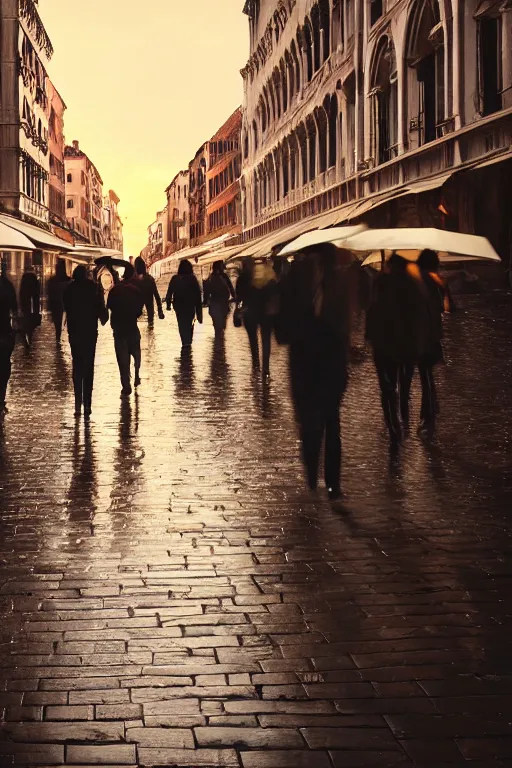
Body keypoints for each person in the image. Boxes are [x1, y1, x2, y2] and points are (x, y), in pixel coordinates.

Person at [278, 243, 354, 500]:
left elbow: (345, 323)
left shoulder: (339, 284)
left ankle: (333, 484)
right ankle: (312, 471)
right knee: (310, 424)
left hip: (331, 362)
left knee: (332, 424)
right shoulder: (294, 286)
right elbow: (283, 329)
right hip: (304, 363)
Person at [366, 253, 426, 446]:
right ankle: (401, 417)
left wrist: (370, 335)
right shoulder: (411, 285)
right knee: (402, 381)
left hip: (384, 341)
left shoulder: (381, 282)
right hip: (401, 342)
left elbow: (372, 309)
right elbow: (416, 315)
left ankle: (394, 424)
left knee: (387, 386)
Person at [416, 249, 455, 434]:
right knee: (427, 375)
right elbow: (445, 309)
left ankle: (428, 414)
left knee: (426, 376)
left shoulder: (422, 281)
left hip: (424, 335)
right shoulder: (436, 281)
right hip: (433, 335)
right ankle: (430, 410)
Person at [63, 266, 108, 418]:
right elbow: (103, 315)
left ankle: (77, 405)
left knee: (77, 366)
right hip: (90, 333)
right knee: (89, 368)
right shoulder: (93, 288)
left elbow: (66, 307)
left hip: (75, 333)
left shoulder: (69, 289)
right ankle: (87, 405)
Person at [236, 257, 278, 381]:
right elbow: (275, 293)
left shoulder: (244, 278)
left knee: (253, 340)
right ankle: (265, 368)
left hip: (250, 312)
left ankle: (256, 364)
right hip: (265, 313)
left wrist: (238, 309)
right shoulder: (269, 276)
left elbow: (239, 295)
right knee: (266, 341)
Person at [107, 263, 144, 396]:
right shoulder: (136, 291)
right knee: (136, 353)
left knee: (122, 360)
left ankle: (126, 385)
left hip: (119, 330)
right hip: (132, 327)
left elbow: (109, 307)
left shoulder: (114, 291)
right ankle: (137, 374)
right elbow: (139, 311)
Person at [165, 259, 202, 348]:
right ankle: (188, 345)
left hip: (179, 308)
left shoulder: (175, 278)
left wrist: (168, 305)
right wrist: (199, 314)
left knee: (182, 326)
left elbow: (169, 293)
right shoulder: (192, 279)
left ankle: (185, 345)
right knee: (189, 325)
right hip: (190, 307)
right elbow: (198, 296)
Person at [0, 262, 18, 416]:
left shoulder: (7, 286)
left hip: (5, 332)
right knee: (4, 367)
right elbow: (14, 308)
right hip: (4, 332)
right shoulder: (7, 285)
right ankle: (1, 399)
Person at [203, 260, 235, 335]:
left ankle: (218, 342)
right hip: (222, 304)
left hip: (215, 304)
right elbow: (230, 288)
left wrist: (205, 301)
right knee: (222, 325)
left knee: (217, 326)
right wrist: (234, 297)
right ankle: (220, 342)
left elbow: (206, 291)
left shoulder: (211, 277)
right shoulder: (223, 276)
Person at [46, 258, 71, 343]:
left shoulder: (52, 281)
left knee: (58, 323)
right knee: (61, 323)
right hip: (63, 305)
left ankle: (58, 336)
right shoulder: (68, 280)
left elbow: (49, 293)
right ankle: (59, 336)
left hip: (58, 304)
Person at [134, 256, 164, 325]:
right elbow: (156, 295)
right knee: (151, 323)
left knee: (134, 322)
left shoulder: (134, 280)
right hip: (149, 301)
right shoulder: (150, 279)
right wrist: (160, 310)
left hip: (137, 303)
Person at [19, 265, 41, 348]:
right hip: (31, 309)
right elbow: (36, 297)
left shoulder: (24, 289)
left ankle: (27, 337)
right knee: (30, 323)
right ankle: (29, 337)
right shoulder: (35, 287)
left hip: (27, 308)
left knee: (27, 321)